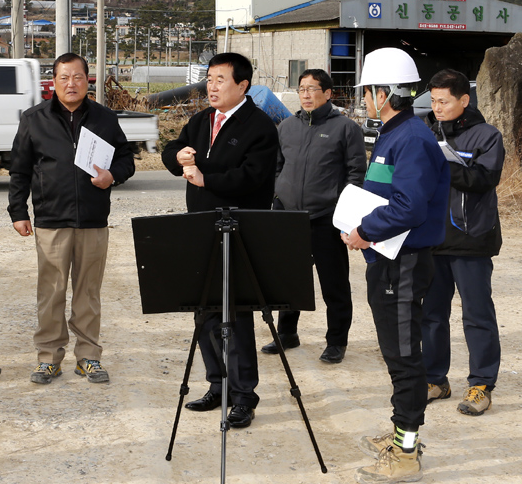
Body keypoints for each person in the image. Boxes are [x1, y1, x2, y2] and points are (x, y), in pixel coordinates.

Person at [342, 47, 449, 484]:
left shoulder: (410, 139)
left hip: (402, 262)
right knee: (396, 352)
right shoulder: (394, 132)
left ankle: (406, 453)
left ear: (384, 93)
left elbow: (408, 207)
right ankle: (401, 435)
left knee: (404, 356)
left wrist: (365, 231)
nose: (365, 97)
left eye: (368, 90)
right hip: (388, 258)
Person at [161, 52, 278, 430]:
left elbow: (252, 177)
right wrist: (176, 156)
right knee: (204, 311)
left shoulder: (259, 126)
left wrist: (206, 179)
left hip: (240, 230)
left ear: (242, 85)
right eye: (209, 79)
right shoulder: (199, 121)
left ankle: (244, 396)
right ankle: (218, 384)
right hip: (200, 229)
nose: (211, 86)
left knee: (235, 315)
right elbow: (171, 151)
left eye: (220, 80)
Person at [8, 53, 135, 386]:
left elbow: (126, 159)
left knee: (88, 292)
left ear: (87, 79)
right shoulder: (34, 119)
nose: (71, 84)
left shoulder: (105, 118)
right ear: (54, 81)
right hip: (51, 220)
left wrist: (113, 176)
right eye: (64, 77)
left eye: (78, 77)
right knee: (51, 291)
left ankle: (89, 356)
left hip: (93, 220)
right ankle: (48, 358)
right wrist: (18, 212)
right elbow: (19, 170)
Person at [265, 68, 366, 364]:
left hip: (326, 217)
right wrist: (278, 195)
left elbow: (356, 174)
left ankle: (336, 340)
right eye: (302, 89)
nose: (306, 95)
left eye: (312, 89)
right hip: (288, 216)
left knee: (333, 283)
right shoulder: (286, 127)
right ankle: (287, 334)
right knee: (288, 280)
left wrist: (345, 214)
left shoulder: (346, 128)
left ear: (328, 93)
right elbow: (277, 166)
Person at [422, 69, 504, 417]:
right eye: (433, 101)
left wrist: (441, 166)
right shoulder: (425, 131)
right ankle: (435, 380)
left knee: (476, 314)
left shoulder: (487, 136)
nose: (437, 108)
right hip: (432, 239)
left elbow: (484, 178)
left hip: (471, 238)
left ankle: (481, 384)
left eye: (444, 101)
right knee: (431, 315)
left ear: (464, 100)